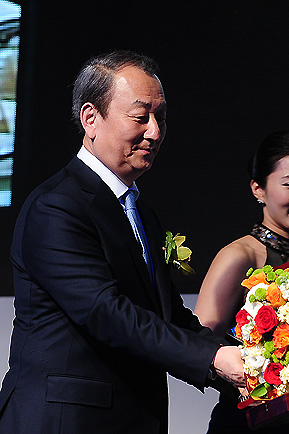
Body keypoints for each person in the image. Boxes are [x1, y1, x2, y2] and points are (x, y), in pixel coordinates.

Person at [0, 50, 244, 434]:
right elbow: (108, 313)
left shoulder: (140, 213)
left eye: (161, 117)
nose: (155, 132)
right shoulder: (56, 207)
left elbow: (169, 317)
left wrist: (259, 368)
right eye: (140, 117)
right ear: (91, 118)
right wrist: (213, 359)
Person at [194, 129, 289, 433]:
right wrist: (250, 380)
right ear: (258, 189)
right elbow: (198, 342)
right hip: (244, 424)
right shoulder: (240, 256)